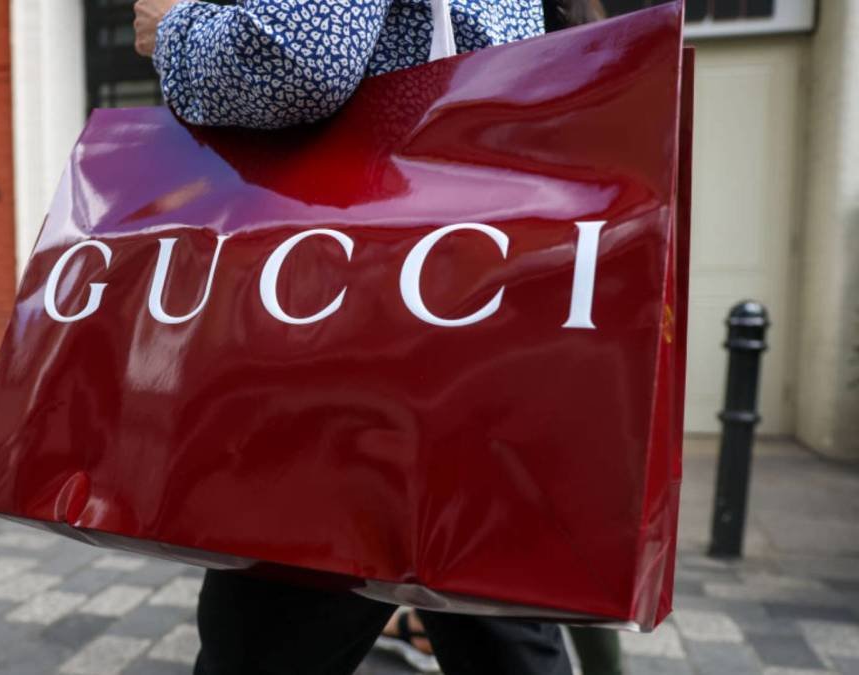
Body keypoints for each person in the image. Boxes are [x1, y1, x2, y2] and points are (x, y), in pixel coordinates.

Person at [131, 1, 595, 673]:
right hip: (478, 293)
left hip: (358, 318)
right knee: (494, 599)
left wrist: (177, 29)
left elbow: (299, 56)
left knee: (275, 625)